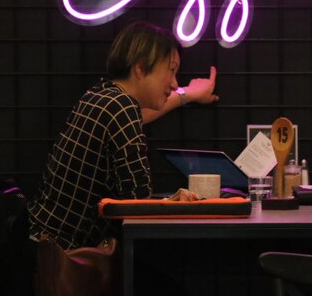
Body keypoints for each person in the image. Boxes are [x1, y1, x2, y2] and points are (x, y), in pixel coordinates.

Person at [28, 21, 218, 250]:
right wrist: (176, 202)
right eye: (171, 70)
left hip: (41, 244)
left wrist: (188, 94)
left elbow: (141, 114)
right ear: (140, 68)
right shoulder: (121, 107)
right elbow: (138, 200)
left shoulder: (101, 96)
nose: (175, 82)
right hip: (69, 257)